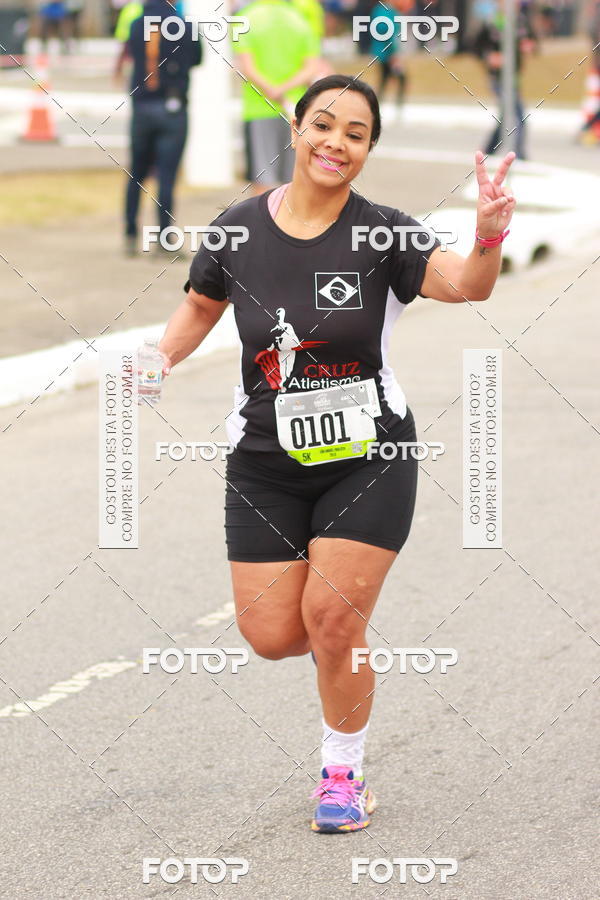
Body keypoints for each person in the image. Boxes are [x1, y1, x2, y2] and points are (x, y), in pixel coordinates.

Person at [157, 74, 516, 833]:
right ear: (296, 130)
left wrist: (487, 233)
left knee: (331, 621)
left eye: (356, 134)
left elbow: (468, 286)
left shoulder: (384, 233)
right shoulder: (236, 228)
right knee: (272, 636)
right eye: (323, 125)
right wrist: (154, 362)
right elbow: (198, 306)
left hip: (368, 457)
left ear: (368, 150)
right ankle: (336, 650)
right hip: (265, 461)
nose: (336, 143)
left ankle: (343, 774)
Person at [120, 0, 202, 256]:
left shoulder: (136, 24)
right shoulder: (185, 26)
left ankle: (130, 233)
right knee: (166, 176)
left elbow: (131, 54)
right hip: (173, 107)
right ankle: (164, 239)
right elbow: (197, 59)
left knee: (137, 172)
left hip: (143, 106)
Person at [233, 0, 319, 194]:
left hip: (258, 109)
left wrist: (271, 90)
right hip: (296, 110)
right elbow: (311, 68)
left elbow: (247, 67)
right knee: (294, 181)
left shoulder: (246, 17)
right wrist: (284, 88)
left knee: (262, 180)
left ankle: (263, 216)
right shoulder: (301, 18)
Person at [472, 0, 538, 159]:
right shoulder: (492, 22)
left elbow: (534, 42)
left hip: (514, 78)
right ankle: (519, 154)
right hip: (498, 78)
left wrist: (530, 46)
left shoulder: (521, 22)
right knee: (518, 114)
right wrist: (489, 57)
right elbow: (475, 47)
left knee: (505, 116)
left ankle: (488, 150)